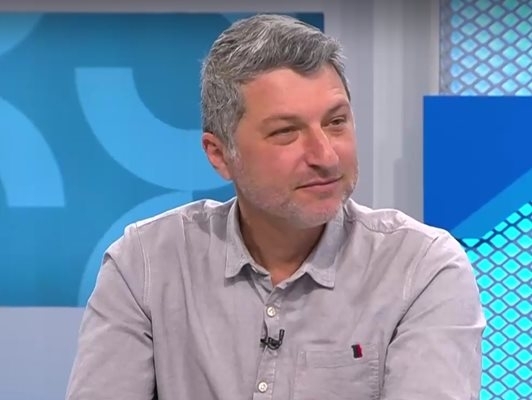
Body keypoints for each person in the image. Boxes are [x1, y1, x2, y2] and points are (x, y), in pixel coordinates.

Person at [66, 13, 485, 400]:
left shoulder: (421, 268)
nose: (325, 156)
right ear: (219, 154)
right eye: (286, 132)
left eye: (336, 122)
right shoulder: (144, 264)